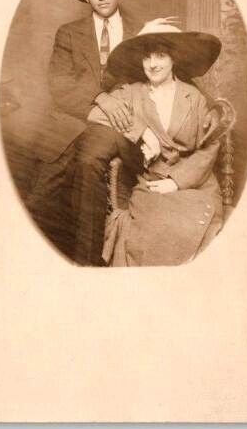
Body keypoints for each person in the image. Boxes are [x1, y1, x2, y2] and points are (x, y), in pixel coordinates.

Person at [27, 0, 142, 264]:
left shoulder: (141, 33)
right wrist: (99, 99)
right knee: (36, 202)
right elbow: (60, 85)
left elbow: (147, 86)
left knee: (89, 171)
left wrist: (113, 108)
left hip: (114, 126)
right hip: (70, 122)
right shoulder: (69, 33)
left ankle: (88, 263)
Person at [87, 18, 225, 266]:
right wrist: (141, 131)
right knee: (155, 229)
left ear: (173, 59)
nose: (152, 64)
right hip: (151, 183)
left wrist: (177, 181)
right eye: (147, 57)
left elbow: (209, 147)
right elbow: (96, 114)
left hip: (195, 183)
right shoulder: (132, 92)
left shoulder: (193, 97)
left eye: (160, 56)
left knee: (190, 225)